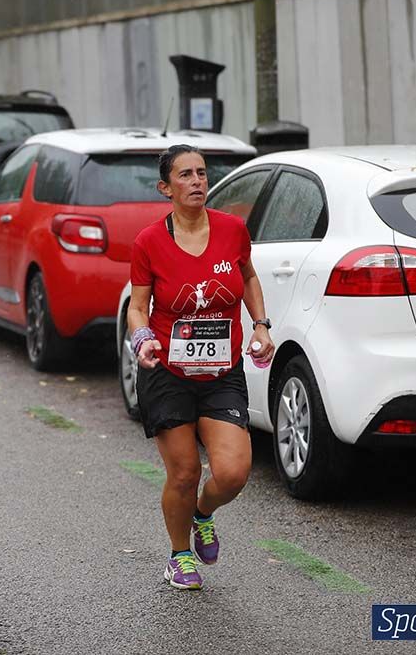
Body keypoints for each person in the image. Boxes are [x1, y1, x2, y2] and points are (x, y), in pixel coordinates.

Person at [127, 144, 275, 590]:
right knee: (186, 471)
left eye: (202, 173)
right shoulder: (149, 242)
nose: (196, 182)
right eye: (185, 175)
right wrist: (143, 338)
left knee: (231, 473)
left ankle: (202, 513)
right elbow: (138, 307)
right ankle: (178, 555)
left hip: (222, 371)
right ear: (165, 188)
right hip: (168, 371)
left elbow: (247, 277)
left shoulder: (232, 231)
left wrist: (261, 325)